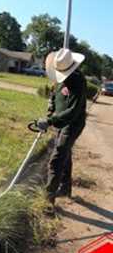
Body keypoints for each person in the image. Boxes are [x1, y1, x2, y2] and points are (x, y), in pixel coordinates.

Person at [36, 48, 87, 205]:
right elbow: (56, 98)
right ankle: (65, 187)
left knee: (57, 158)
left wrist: (50, 122)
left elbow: (72, 111)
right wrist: (50, 112)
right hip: (61, 122)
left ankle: (48, 200)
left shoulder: (78, 82)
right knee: (65, 153)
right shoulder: (60, 78)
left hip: (73, 124)